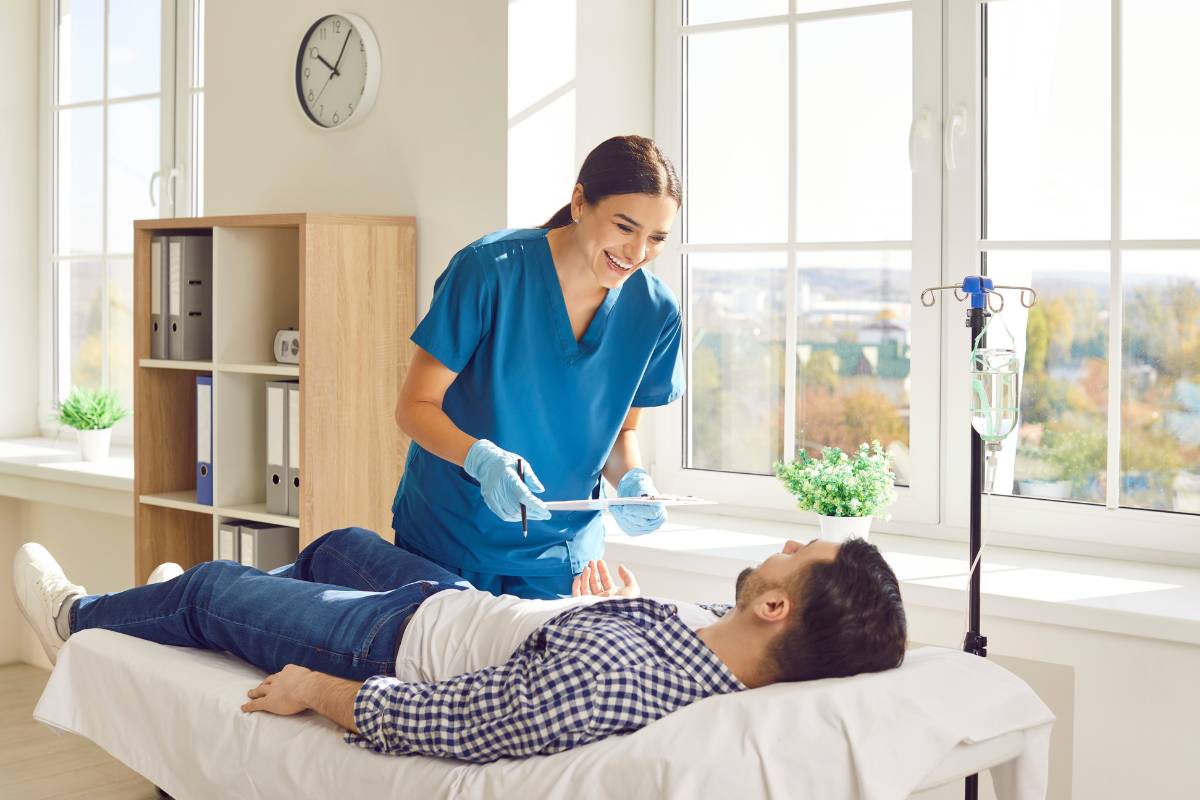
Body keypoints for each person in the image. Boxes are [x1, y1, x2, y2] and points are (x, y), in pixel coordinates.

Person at [12, 527, 907, 763]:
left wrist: (319, 693)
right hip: (455, 600)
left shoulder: (622, 679)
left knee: (209, 589)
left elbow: (468, 721)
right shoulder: (716, 639)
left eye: (800, 553)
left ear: (779, 609)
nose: (786, 544)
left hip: (396, 643)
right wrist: (627, 602)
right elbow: (652, 635)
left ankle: (75, 620)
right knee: (334, 546)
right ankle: (158, 608)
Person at [392, 135, 685, 599]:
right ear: (579, 201)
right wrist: (481, 459)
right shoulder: (489, 271)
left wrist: (633, 482)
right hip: (450, 540)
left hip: (563, 557)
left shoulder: (655, 312)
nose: (637, 252)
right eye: (625, 227)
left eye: (657, 238)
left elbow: (621, 434)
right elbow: (415, 406)